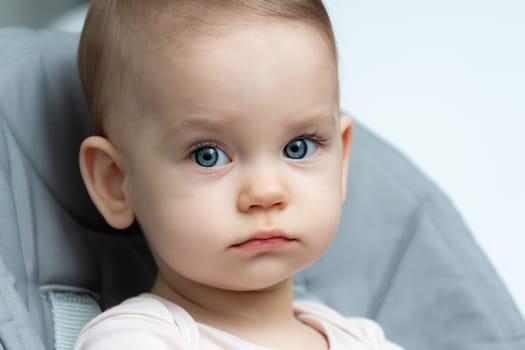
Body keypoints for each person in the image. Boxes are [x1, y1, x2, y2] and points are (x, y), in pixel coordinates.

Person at [74, 0, 403, 349]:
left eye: (299, 147)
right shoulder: (136, 340)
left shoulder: (365, 340)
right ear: (116, 183)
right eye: (208, 155)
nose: (266, 192)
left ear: (342, 160)